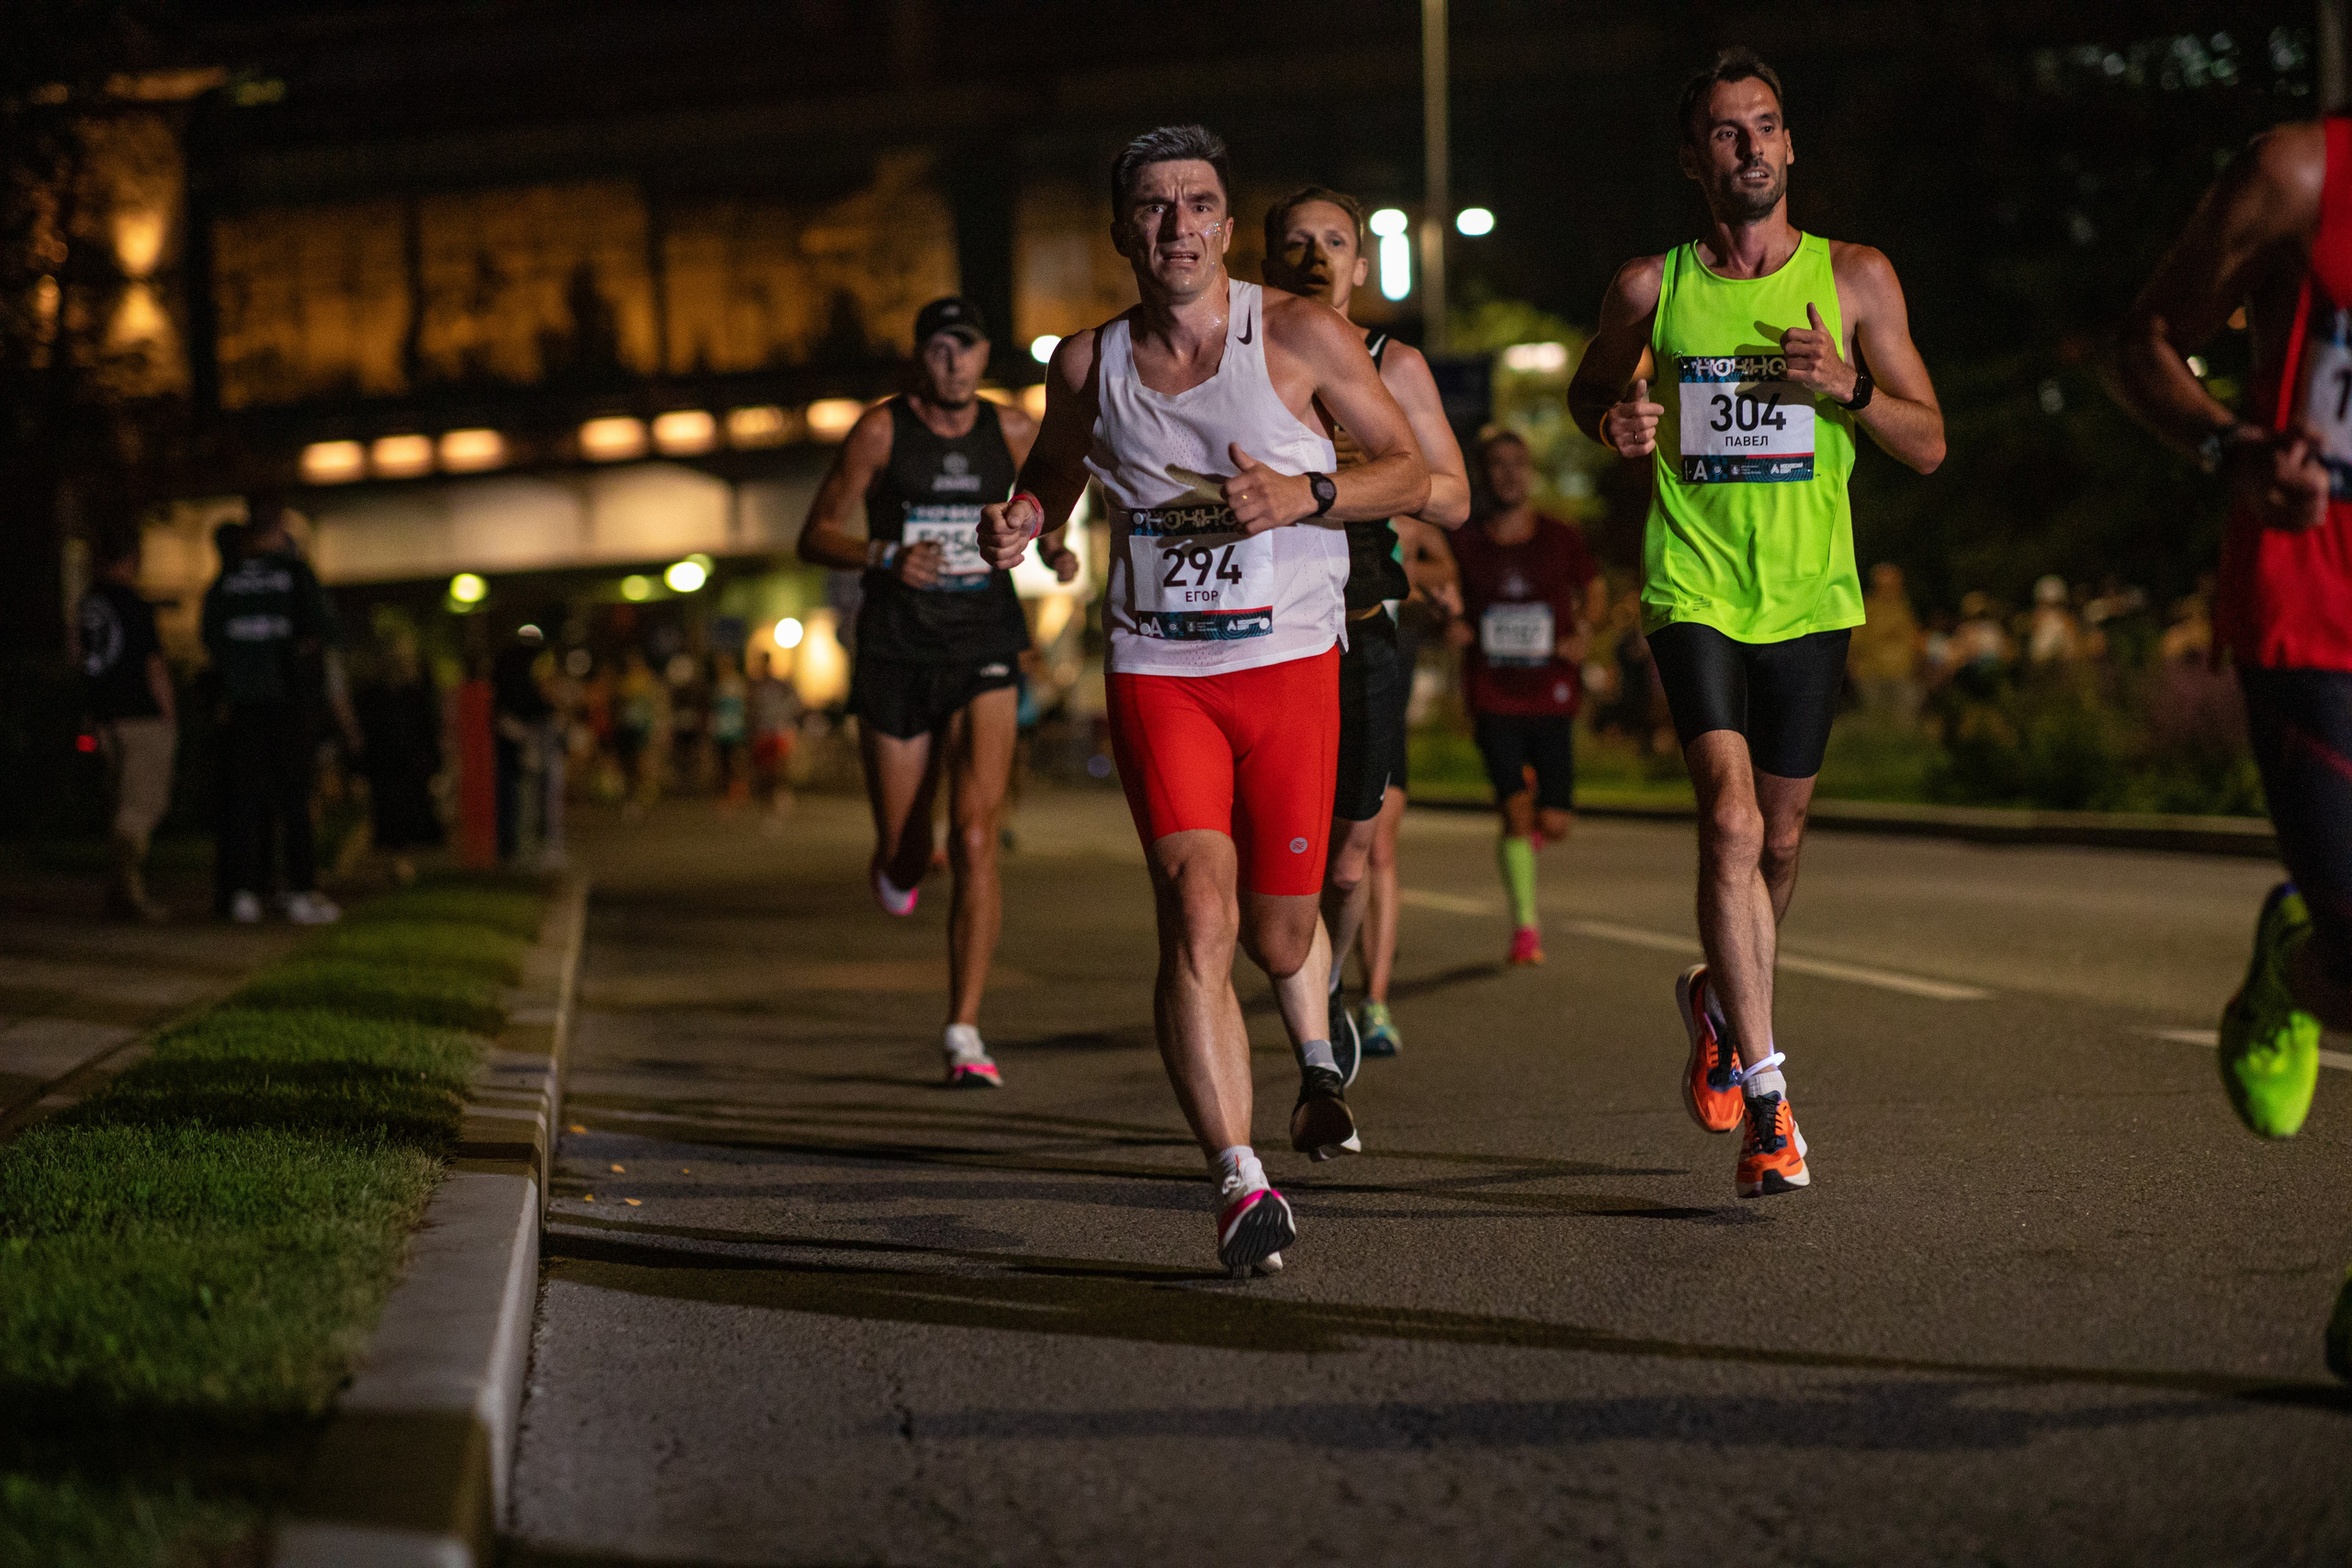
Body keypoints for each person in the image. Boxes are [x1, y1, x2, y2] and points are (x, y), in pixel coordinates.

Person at [977, 124, 1430, 1276]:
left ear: (1228, 227)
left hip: (1287, 670)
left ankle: (1310, 1059)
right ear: (1122, 229)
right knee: (1197, 907)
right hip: (1160, 668)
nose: (1176, 225)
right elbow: (1056, 473)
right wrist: (1024, 520)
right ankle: (1236, 1178)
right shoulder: (1086, 363)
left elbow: (1411, 471)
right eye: (1154, 206)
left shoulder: (1296, 334)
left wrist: (1307, 491)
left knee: (1282, 932)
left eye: (1198, 204)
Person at [1567, 48, 1944, 1199]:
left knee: (1778, 845)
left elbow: (1929, 443)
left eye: (1765, 127)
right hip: (1694, 589)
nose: (1749, 148)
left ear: (1790, 146)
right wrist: (1613, 424)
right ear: (1695, 158)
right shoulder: (1652, 287)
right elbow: (1592, 390)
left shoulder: (1859, 279)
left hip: (1811, 598)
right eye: (1726, 133)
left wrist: (1848, 390)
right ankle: (1771, 1105)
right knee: (1730, 824)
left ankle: (1719, 1004)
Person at [2111, 108, 2352, 1379]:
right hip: (2316, 610)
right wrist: (2235, 444)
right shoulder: (2299, 173)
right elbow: (2138, 342)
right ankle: (2296, 960)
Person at [799, 295, 1078, 1089]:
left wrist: (1054, 552)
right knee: (907, 851)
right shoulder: (883, 431)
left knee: (977, 835)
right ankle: (898, 854)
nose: (954, 361)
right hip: (895, 647)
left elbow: (1042, 509)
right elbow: (814, 532)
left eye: (967, 346)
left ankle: (964, 1028)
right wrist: (884, 554)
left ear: (985, 354)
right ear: (920, 356)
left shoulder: (1015, 431)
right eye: (939, 348)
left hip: (984, 640)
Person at [1260, 185, 1472, 1063]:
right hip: (1261, 631)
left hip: (1362, 626)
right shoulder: (1237, 354)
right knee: (1269, 857)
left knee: (1350, 863)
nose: (1317, 257)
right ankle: (1309, 1032)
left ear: (1361, 262)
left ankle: (1333, 982)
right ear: (1266, 258)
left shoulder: (1394, 364)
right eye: (1298, 240)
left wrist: (1366, 474)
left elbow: (1453, 497)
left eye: (1336, 241)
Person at [1443, 430, 1606, 966]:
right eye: (1497, 465)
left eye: (1518, 464)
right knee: (1515, 814)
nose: (1509, 474)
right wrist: (1454, 623)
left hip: (1551, 692)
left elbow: (1595, 589)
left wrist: (1584, 632)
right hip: (1493, 694)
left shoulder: (1559, 537)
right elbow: (1443, 594)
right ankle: (1526, 928)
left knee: (1553, 824)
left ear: (1529, 472)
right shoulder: (1467, 543)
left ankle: (1532, 820)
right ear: (1484, 474)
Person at [202, 493, 348, 925]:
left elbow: (210, 638)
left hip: (242, 704)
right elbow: (325, 630)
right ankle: (301, 889)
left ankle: (244, 892)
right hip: (288, 701)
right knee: (295, 799)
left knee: (246, 798)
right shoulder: (295, 574)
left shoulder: (227, 579)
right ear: (282, 526)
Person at [1356, 513, 1460, 1053]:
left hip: (1383, 688)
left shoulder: (1411, 517)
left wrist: (1426, 587)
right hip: (1321, 679)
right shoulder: (1313, 484)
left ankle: (1374, 1002)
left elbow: (1446, 571)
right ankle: (1325, 988)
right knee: (1336, 857)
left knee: (1378, 847)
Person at [74, 533, 176, 921]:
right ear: (132, 558)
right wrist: (169, 714)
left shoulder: (88, 605)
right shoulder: (134, 605)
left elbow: (76, 652)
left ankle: (119, 891)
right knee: (139, 805)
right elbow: (153, 665)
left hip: (102, 717)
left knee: (119, 801)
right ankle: (129, 893)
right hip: (139, 716)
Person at [355, 626, 444, 884]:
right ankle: (394, 864)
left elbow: (428, 728)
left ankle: (402, 863)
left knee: (407, 816)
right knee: (390, 816)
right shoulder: (373, 694)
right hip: (387, 765)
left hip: (407, 765)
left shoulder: (415, 691)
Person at [747, 648, 802, 825]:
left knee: (777, 769)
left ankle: (779, 800)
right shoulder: (755, 685)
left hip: (776, 732)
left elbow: (794, 701)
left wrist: (783, 717)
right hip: (761, 732)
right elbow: (751, 710)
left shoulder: (780, 685)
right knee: (762, 770)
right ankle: (766, 804)